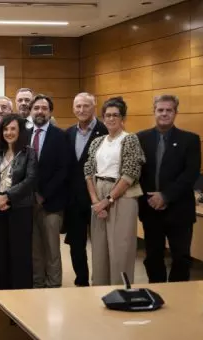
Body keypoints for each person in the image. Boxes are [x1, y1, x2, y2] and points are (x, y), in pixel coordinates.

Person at [137, 95, 201, 283]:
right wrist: (151, 198)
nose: (164, 113)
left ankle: (178, 297)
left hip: (179, 210)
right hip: (150, 209)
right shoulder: (140, 138)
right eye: (160, 110)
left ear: (175, 113)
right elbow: (136, 172)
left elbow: (190, 174)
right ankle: (157, 293)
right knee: (153, 257)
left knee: (181, 257)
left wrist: (165, 196)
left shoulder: (190, 140)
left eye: (169, 110)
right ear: (154, 111)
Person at [84, 96, 145, 286]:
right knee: (100, 249)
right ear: (103, 118)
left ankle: (121, 291)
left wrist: (107, 201)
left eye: (115, 115)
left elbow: (130, 173)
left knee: (120, 249)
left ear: (123, 118)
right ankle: (100, 290)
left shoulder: (130, 139)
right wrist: (95, 201)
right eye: (107, 115)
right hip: (97, 192)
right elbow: (88, 171)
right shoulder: (97, 142)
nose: (111, 119)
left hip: (121, 195)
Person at [0, 114, 37, 290]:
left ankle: (20, 291)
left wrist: (7, 196)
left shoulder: (29, 152)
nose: (9, 132)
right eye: (5, 129)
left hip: (19, 208)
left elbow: (30, 179)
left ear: (20, 131)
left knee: (19, 252)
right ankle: (0, 289)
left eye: (13, 128)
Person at [64, 92, 107, 287]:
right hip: (74, 200)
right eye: (78, 106)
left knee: (100, 243)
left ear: (94, 107)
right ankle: (81, 279)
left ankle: (101, 279)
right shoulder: (69, 133)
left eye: (86, 106)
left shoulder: (105, 130)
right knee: (76, 244)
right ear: (73, 108)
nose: (81, 110)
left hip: (100, 197)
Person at [28, 95, 69, 289]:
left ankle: (53, 283)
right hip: (28, 202)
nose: (40, 112)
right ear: (30, 111)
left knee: (52, 247)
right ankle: (37, 281)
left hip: (51, 202)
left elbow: (63, 169)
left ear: (50, 112)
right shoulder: (24, 134)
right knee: (34, 247)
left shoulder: (60, 136)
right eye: (36, 108)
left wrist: (43, 194)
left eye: (44, 108)